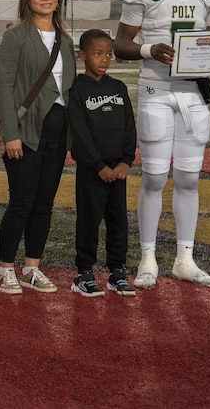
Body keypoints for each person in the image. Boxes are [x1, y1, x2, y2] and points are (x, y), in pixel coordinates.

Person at [113, 0, 210, 289]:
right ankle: (147, 259)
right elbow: (121, 44)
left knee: (190, 178)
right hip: (156, 91)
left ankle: (184, 259)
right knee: (155, 177)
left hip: (193, 92)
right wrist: (149, 48)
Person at [0, 0, 75, 295]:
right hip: (25, 129)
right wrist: (10, 133)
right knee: (22, 201)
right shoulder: (15, 37)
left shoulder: (65, 41)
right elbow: (4, 88)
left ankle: (31, 268)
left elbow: (69, 89)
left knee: (44, 203)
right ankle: (4, 269)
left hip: (58, 128)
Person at [67, 29, 137, 297]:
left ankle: (117, 271)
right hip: (92, 171)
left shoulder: (118, 87)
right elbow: (80, 133)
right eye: (97, 54)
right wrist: (98, 166)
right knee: (89, 221)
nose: (104, 59)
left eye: (108, 54)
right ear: (82, 55)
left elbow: (129, 126)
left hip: (118, 171)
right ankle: (84, 272)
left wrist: (126, 161)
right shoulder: (77, 89)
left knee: (118, 222)